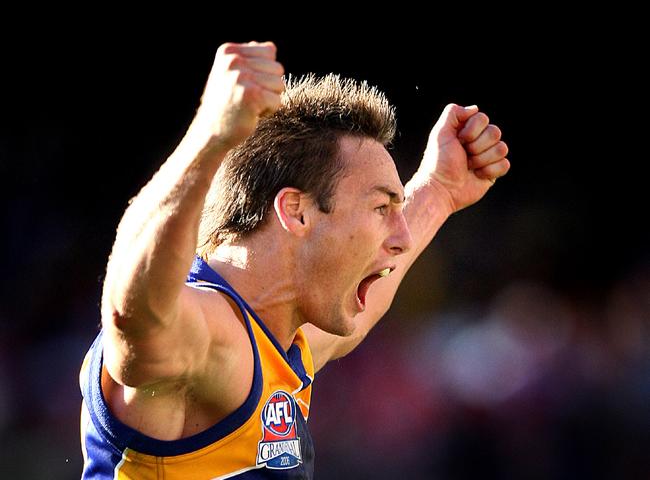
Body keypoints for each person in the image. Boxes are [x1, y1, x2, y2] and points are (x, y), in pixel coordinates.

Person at [79, 41, 510, 479]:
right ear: (296, 211)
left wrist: (438, 190)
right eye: (382, 209)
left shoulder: (282, 341)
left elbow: (357, 320)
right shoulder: (206, 335)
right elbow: (133, 313)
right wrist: (210, 133)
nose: (402, 238)